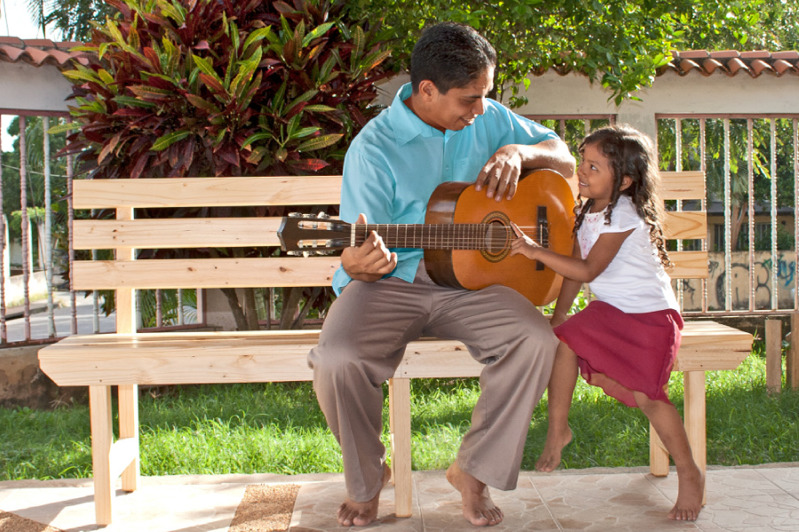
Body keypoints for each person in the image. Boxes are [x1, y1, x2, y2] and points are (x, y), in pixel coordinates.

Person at [307, 22, 576, 527]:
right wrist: (353, 262)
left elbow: (561, 156)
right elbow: (362, 245)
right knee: (337, 358)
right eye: (469, 100)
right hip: (391, 283)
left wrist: (521, 152)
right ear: (426, 91)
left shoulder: (490, 119)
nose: (480, 111)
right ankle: (367, 480)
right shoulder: (374, 147)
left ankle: (472, 471)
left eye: (485, 97)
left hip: (474, 286)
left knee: (537, 341)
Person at [510, 124, 704, 521]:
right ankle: (558, 429)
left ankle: (689, 471)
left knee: (650, 397)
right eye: (583, 162)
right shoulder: (588, 211)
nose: (582, 171)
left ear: (625, 181)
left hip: (650, 319)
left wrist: (534, 250)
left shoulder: (625, 214)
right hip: (612, 312)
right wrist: (560, 315)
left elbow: (586, 269)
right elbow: (573, 273)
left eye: (594, 167)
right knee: (564, 341)